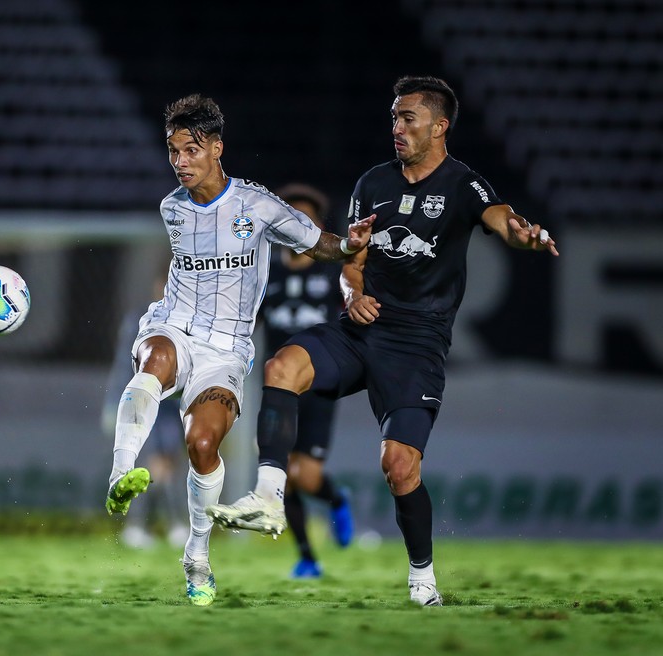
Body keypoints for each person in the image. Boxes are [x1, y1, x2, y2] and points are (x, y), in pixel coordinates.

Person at [206, 76, 558, 606]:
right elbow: (354, 262)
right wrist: (351, 293)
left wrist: (525, 234)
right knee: (282, 367)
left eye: (407, 118)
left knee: (398, 467)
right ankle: (269, 497)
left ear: (439, 127)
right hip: (360, 328)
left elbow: (501, 220)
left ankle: (422, 577)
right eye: (393, 117)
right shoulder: (373, 183)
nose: (396, 127)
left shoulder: (463, 185)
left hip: (417, 344)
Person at [104, 93, 375, 606]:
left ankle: (197, 555)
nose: (180, 162)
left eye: (190, 150)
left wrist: (346, 247)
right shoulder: (172, 208)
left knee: (202, 446)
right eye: (173, 151)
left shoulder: (257, 205)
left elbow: (313, 241)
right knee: (154, 361)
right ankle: (120, 474)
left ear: (217, 148)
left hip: (226, 350)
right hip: (174, 325)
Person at [263, 183, 354, 579]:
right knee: (282, 474)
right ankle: (307, 557)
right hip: (280, 388)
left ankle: (335, 499)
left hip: (318, 385)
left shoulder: (333, 271)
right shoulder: (264, 271)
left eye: (308, 220)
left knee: (306, 476)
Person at [102, 272, 189, 550]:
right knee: (150, 463)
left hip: (171, 405)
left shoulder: (189, 321)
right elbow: (121, 365)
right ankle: (144, 526)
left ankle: (159, 526)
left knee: (167, 465)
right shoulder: (139, 320)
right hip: (141, 401)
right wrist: (113, 402)